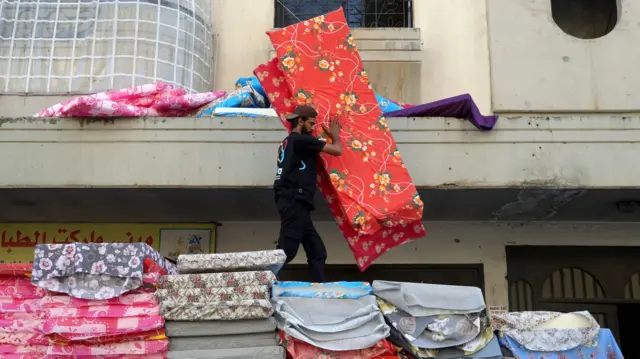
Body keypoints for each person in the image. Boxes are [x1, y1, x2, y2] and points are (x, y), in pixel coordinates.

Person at [274, 105, 343, 282]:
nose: (313, 128)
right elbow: (337, 150)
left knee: (317, 251)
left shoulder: (288, 142)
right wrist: (335, 134)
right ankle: (261, 282)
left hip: (295, 201)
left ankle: (318, 288)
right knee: (286, 251)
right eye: (311, 123)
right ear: (300, 121)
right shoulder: (301, 140)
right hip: (294, 200)